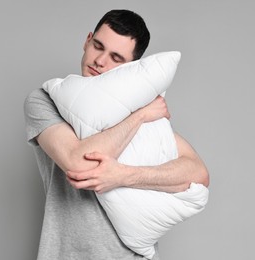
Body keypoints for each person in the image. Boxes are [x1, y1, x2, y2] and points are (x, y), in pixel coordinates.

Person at [24, 9, 209, 260]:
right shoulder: (44, 100)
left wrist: (123, 176)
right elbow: (79, 163)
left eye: (116, 57)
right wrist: (140, 116)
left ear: (131, 67)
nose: (100, 61)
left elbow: (197, 173)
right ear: (87, 40)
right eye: (97, 46)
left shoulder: (136, 105)